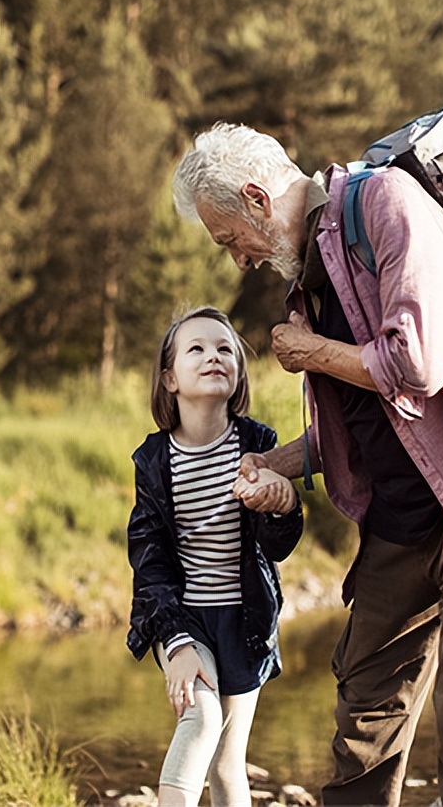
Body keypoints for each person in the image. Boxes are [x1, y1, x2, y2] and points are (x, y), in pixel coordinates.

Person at [172, 124, 443, 807]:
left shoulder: (387, 204)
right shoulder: (308, 283)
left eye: (231, 239)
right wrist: (274, 462)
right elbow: (354, 432)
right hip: (400, 514)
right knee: (365, 713)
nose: (238, 261)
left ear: (259, 199)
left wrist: (309, 351)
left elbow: (417, 364)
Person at [126, 305, 304, 807]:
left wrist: (283, 504)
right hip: (183, 618)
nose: (214, 356)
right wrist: (177, 642)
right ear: (169, 378)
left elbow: (278, 546)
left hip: (245, 620)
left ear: (240, 373)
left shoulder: (258, 445)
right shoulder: (155, 462)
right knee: (200, 717)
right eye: (197, 348)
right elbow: (150, 561)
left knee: (228, 764)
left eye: (226, 348)